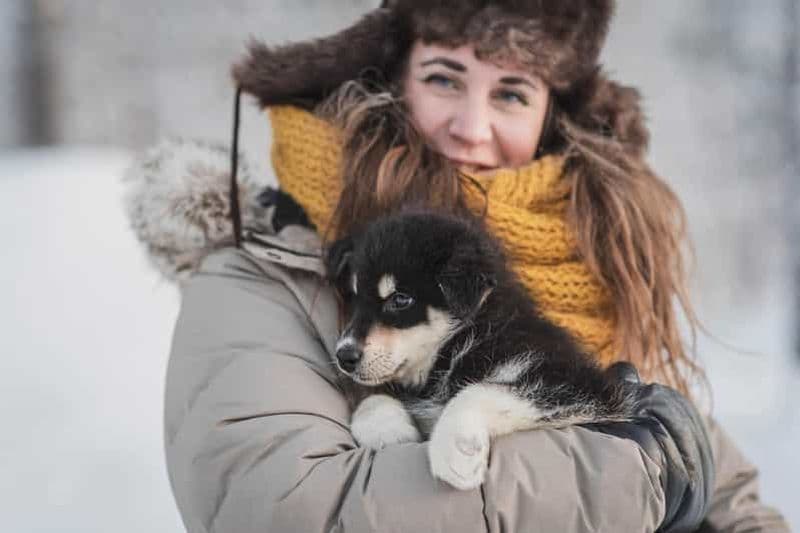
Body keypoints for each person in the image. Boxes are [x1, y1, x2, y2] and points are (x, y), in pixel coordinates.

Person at [125, 1, 790, 531]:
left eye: (512, 92)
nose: (473, 126)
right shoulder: (267, 273)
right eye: (445, 77)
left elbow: (716, 478)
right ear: (389, 76)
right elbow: (287, 510)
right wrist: (631, 476)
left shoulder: (588, 259)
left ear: (549, 116)